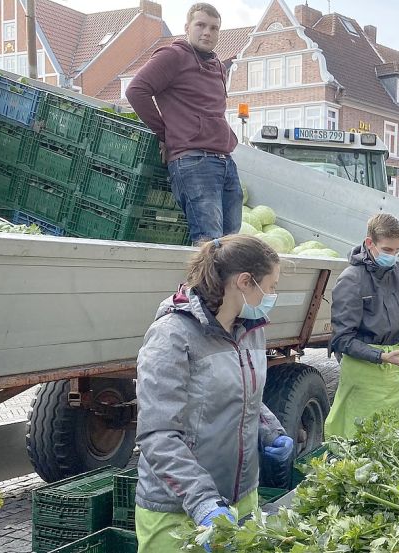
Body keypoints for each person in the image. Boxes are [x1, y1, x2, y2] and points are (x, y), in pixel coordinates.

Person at [134, 235, 290, 553]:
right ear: (245, 282)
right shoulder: (173, 336)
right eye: (271, 286)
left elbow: (247, 394)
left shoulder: (251, 329)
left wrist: (271, 432)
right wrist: (204, 504)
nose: (274, 295)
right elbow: (158, 435)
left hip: (241, 498)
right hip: (179, 511)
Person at [126, 3, 240, 245]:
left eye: (214, 28)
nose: (207, 32)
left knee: (232, 245)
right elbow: (136, 91)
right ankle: (200, 285)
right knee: (210, 243)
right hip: (194, 161)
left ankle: (220, 284)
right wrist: (164, 133)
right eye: (200, 25)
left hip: (224, 160)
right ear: (187, 27)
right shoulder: (173, 56)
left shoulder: (218, 66)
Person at [325, 214, 399, 438]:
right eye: (388, 250)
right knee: (361, 439)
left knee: (395, 438)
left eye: (397, 250)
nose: (393, 256)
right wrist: (380, 356)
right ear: (369, 243)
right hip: (363, 373)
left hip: (394, 371)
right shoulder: (351, 280)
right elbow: (341, 340)